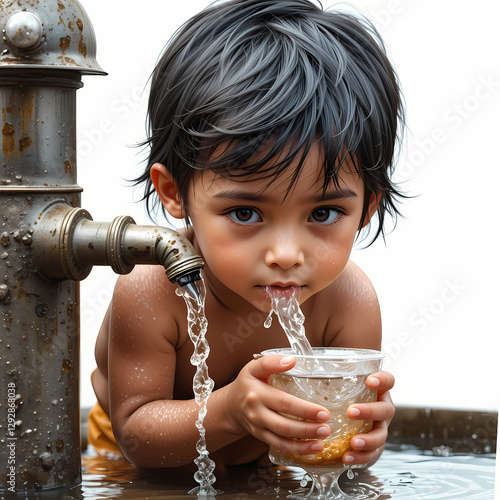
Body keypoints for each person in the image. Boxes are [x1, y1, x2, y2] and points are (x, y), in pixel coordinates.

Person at [89, 0, 404, 470]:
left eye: (323, 212)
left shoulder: (349, 301)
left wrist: (359, 439)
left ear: (366, 208)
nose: (285, 253)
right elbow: (136, 436)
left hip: (262, 467)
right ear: (174, 193)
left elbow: (338, 449)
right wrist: (229, 410)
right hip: (128, 465)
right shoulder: (153, 290)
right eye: (244, 212)